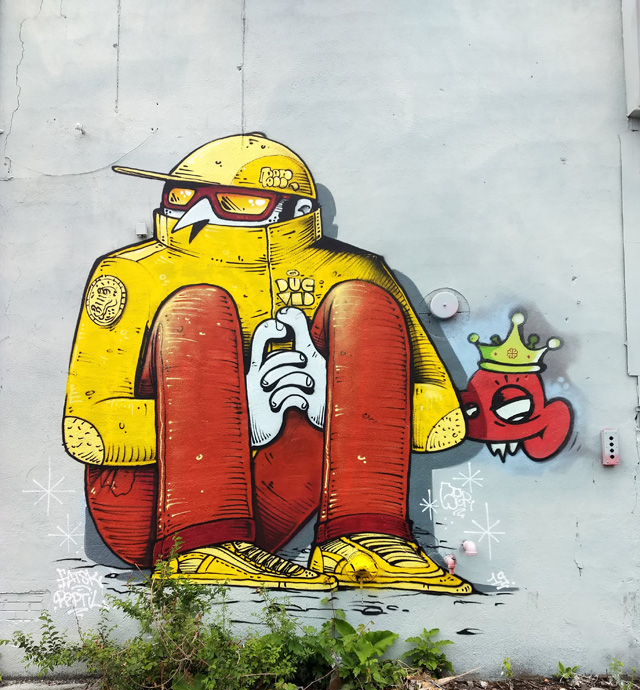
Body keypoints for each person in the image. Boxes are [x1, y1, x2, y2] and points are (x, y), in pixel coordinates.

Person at [63, 133, 471, 594]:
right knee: (197, 309)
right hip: (151, 508)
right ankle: (201, 544)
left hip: (274, 502)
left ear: (296, 210)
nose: (197, 212)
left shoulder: (356, 270)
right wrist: (242, 417)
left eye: (235, 201)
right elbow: (89, 429)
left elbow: (443, 422)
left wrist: (336, 402)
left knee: (362, 303)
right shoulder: (131, 272)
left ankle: (364, 536)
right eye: (182, 196)